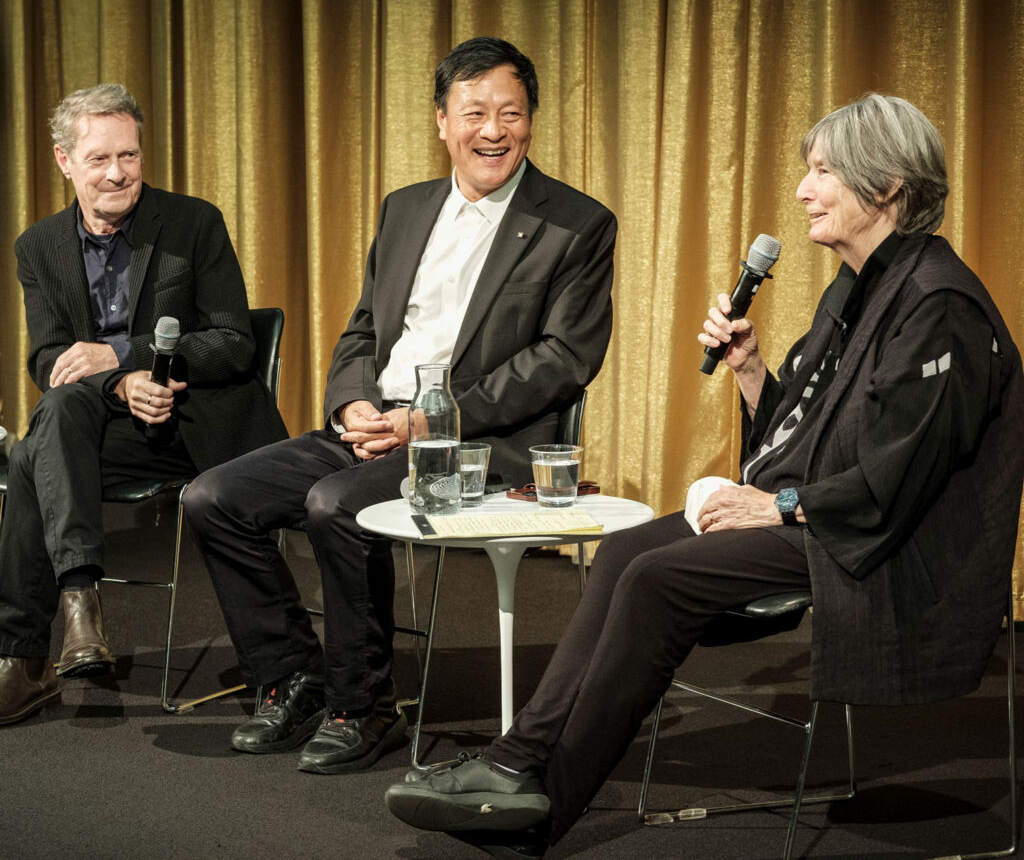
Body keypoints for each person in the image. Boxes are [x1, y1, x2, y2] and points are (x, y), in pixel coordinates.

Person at [384, 93, 1024, 859]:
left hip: (880, 541)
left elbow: (899, 477)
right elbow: (815, 432)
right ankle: (514, 762)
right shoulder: (858, 284)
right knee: (623, 552)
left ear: (886, 187)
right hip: (826, 511)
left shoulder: (936, 302)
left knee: (659, 579)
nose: (802, 191)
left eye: (823, 172)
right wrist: (753, 372)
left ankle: (541, 810)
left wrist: (780, 506)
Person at [182, 37, 618, 776]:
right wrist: (352, 403)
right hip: (376, 425)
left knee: (333, 505)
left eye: (510, 112)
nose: (493, 130)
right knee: (214, 496)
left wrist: (426, 421)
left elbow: (561, 361)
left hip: (481, 442)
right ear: (442, 121)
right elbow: (363, 330)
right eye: (474, 111)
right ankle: (293, 677)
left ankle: (365, 707)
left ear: (532, 122)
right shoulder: (407, 207)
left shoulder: (576, 224)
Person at [0, 83, 288, 726]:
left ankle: (27, 658)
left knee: (26, 460)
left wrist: (125, 356)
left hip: (194, 421)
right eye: (99, 158)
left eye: (128, 156)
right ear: (63, 161)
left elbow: (234, 345)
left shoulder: (193, 222)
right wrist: (116, 384)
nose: (117, 173)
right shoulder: (39, 246)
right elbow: (48, 361)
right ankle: (75, 602)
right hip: (104, 427)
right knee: (60, 413)